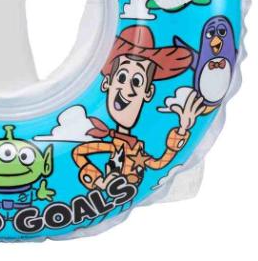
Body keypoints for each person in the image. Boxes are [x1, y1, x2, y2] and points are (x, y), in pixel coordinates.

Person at [73, 25, 205, 191]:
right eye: (122, 77)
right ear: (107, 82)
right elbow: (78, 152)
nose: (127, 90)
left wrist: (182, 129)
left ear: (148, 92)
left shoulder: (136, 149)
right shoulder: (113, 146)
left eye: (137, 81)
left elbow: (159, 164)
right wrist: (100, 181)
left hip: (129, 194)